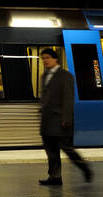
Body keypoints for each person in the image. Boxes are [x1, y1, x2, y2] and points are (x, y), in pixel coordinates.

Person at [38, 48, 91, 185]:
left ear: (55, 59)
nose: (45, 61)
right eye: (43, 58)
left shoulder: (65, 75)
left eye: (48, 58)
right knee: (51, 150)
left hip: (60, 119)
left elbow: (68, 98)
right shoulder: (44, 76)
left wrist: (66, 118)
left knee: (66, 148)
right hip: (47, 120)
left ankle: (84, 167)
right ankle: (55, 177)